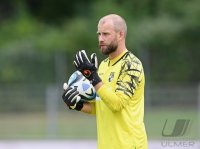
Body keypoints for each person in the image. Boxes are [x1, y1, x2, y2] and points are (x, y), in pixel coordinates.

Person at [62, 14, 148, 149]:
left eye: (106, 34)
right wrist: (77, 105)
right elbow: (101, 106)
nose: (100, 39)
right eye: (99, 34)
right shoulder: (102, 66)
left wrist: (92, 77)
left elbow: (117, 104)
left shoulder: (132, 64)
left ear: (120, 35)